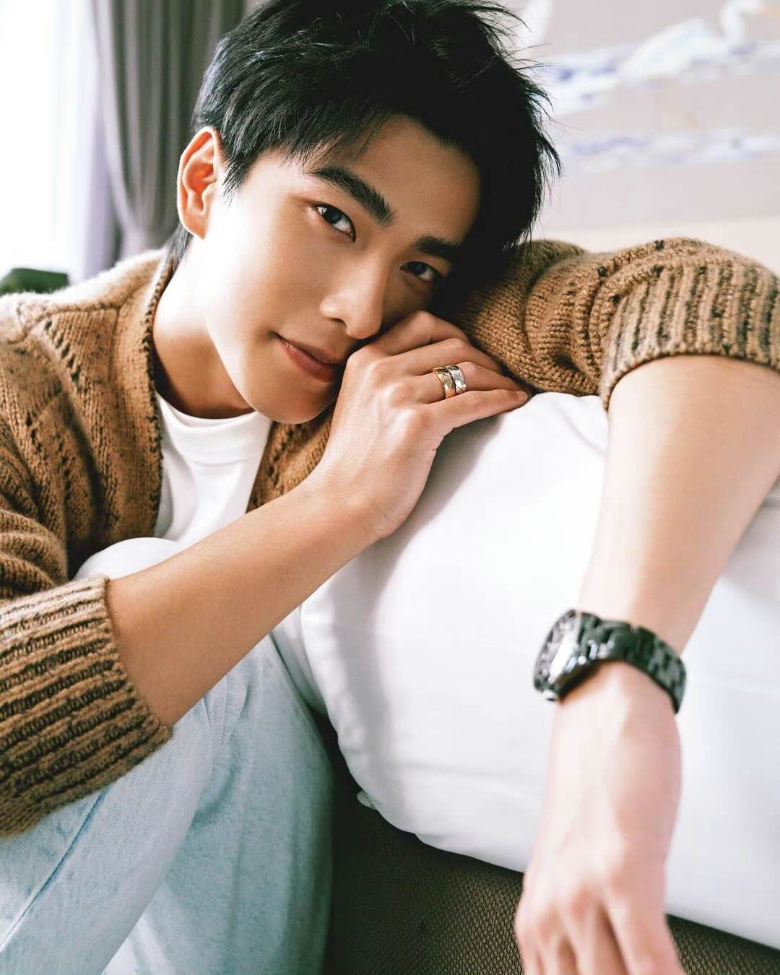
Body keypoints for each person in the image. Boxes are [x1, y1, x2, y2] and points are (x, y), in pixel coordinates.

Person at [1, 2, 779, 974]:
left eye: (418, 264)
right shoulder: (24, 378)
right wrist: (339, 503)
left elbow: (708, 304)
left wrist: (616, 682)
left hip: (243, 902)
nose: (363, 307)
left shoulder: (423, 335)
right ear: (204, 183)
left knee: (180, 625)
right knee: (137, 573)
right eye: (334, 219)